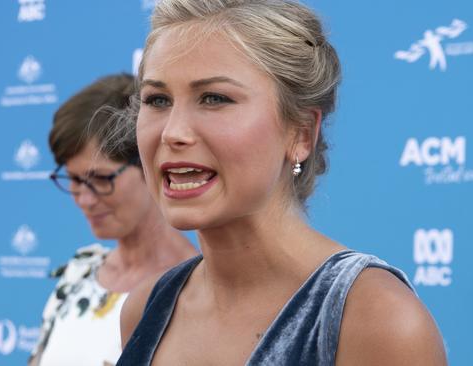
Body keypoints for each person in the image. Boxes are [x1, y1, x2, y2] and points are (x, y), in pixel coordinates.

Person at [117, 0, 447, 364]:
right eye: (158, 100)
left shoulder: (374, 319)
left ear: (301, 133)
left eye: (214, 98)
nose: (172, 132)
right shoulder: (145, 309)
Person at [28, 74, 197, 366]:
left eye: (101, 179)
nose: (85, 199)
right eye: (75, 180)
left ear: (151, 162)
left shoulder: (197, 290)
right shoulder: (77, 276)